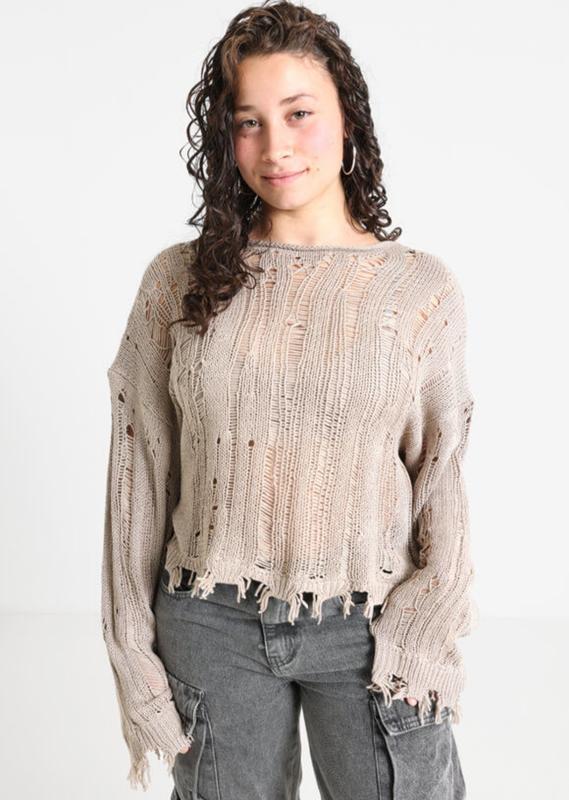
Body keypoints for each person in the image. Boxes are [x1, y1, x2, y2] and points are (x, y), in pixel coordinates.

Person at [101, 2, 476, 798]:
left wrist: (422, 629)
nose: (274, 146)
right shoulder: (177, 282)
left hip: (370, 628)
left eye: (298, 113)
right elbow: (139, 476)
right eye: (248, 122)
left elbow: (441, 481)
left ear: (348, 117)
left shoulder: (417, 290)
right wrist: (131, 648)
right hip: (209, 624)